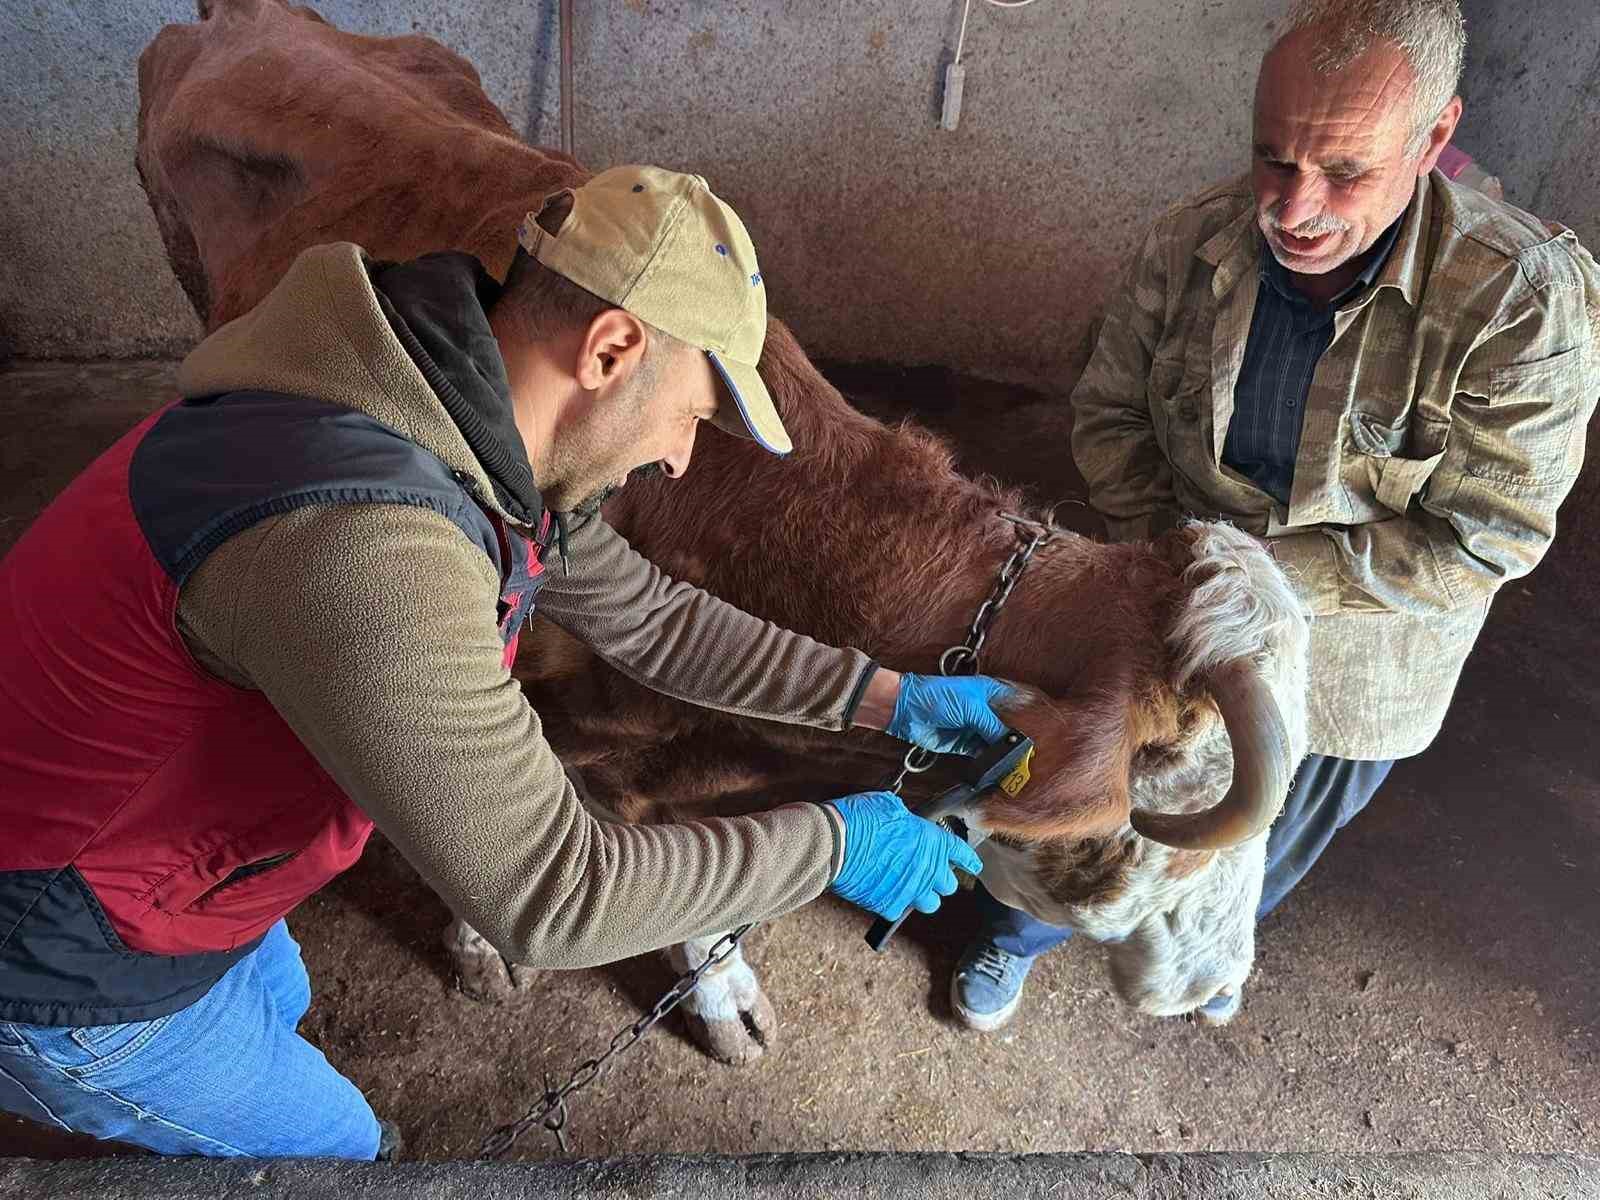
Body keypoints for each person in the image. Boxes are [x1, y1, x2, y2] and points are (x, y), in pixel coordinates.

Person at [0, 166, 1008, 1158]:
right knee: (333, 1149)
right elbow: (551, 896)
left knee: (284, 1001)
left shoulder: (431, 408)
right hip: (60, 957)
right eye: (693, 416)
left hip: (165, 859)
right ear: (611, 349)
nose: (678, 459)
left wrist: (885, 697)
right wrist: (840, 845)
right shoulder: (362, 541)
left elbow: (652, 620)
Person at [952, 0, 1599, 1032]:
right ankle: (1016, 936)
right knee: (1078, 797)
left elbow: (1487, 537)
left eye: (1345, 173)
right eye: (1272, 159)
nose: (1291, 208)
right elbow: (1109, 414)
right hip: (1160, 590)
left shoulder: (1523, 301)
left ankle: (1210, 953)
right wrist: (1170, 569)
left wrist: (1234, 587)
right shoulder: (1188, 242)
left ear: (1434, 140)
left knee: (1254, 837)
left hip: (1357, 657)